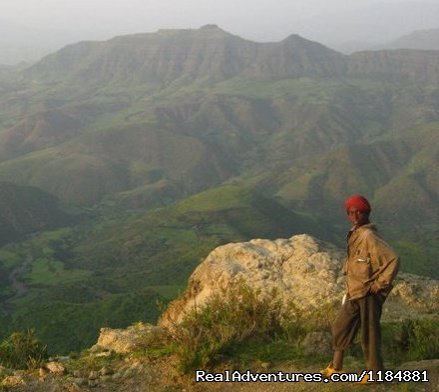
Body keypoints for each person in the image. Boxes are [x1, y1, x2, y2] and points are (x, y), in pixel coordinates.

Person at [321, 195, 400, 383]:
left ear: (367, 213)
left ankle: (375, 375)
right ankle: (336, 367)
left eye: (359, 212)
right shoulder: (355, 232)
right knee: (341, 326)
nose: (355, 215)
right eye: (351, 212)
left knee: (369, 335)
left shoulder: (368, 235)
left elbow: (393, 259)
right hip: (354, 291)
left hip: (368, 294)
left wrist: (379, 284)